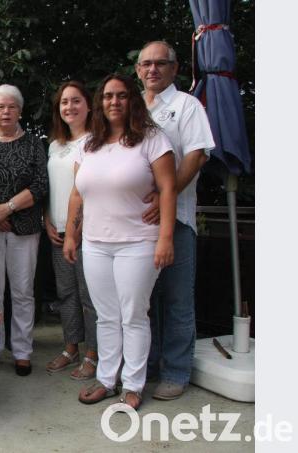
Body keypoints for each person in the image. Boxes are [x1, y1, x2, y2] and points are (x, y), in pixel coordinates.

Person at [64, 73, 176, 411]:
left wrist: (166, 238)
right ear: (100, 103)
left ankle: (133, 384)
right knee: (106, 316)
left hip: (138, 242)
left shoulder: (152, 139)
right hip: (95, 243)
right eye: (109, 96)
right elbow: (76, 193)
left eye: (122, 96)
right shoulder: (89, 144)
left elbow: (168, 189)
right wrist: (71, 233)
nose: (115, 102)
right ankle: (107, 379)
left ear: (133, 100)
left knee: (133, 315)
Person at [135, 41, 214, 401]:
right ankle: (148, 365)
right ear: (138, 70)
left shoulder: (187, 105)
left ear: (174, 68)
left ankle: (176, 371)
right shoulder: (133, 107)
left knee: (178, 299)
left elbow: (196, 157)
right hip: (136, 223)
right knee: (144, 300)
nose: (152, 70)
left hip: (176, 219)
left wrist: (165, 197)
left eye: (160, 64)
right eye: (146, 64)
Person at [0, 84, 47, 376]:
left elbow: (40, 185)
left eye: (11, 106)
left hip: (24, 228)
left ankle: (23, 351)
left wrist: (8, 208)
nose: (6, 112)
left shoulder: (33, 143)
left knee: (23, 291)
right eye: (0, 107)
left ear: (20, 110)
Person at [44, 81, 98, 380]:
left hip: (86, 233)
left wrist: (76, 232)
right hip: (57, 232)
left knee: (88, 295)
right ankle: (70, 347)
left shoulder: (95, 142)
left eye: (76, 101)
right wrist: (47, 220)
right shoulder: (55, 144)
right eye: (64, 102)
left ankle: (93, 352)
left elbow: (87, 191)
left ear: (89, 105)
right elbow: (51, 188)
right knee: (65, 294)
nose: (70, 107)